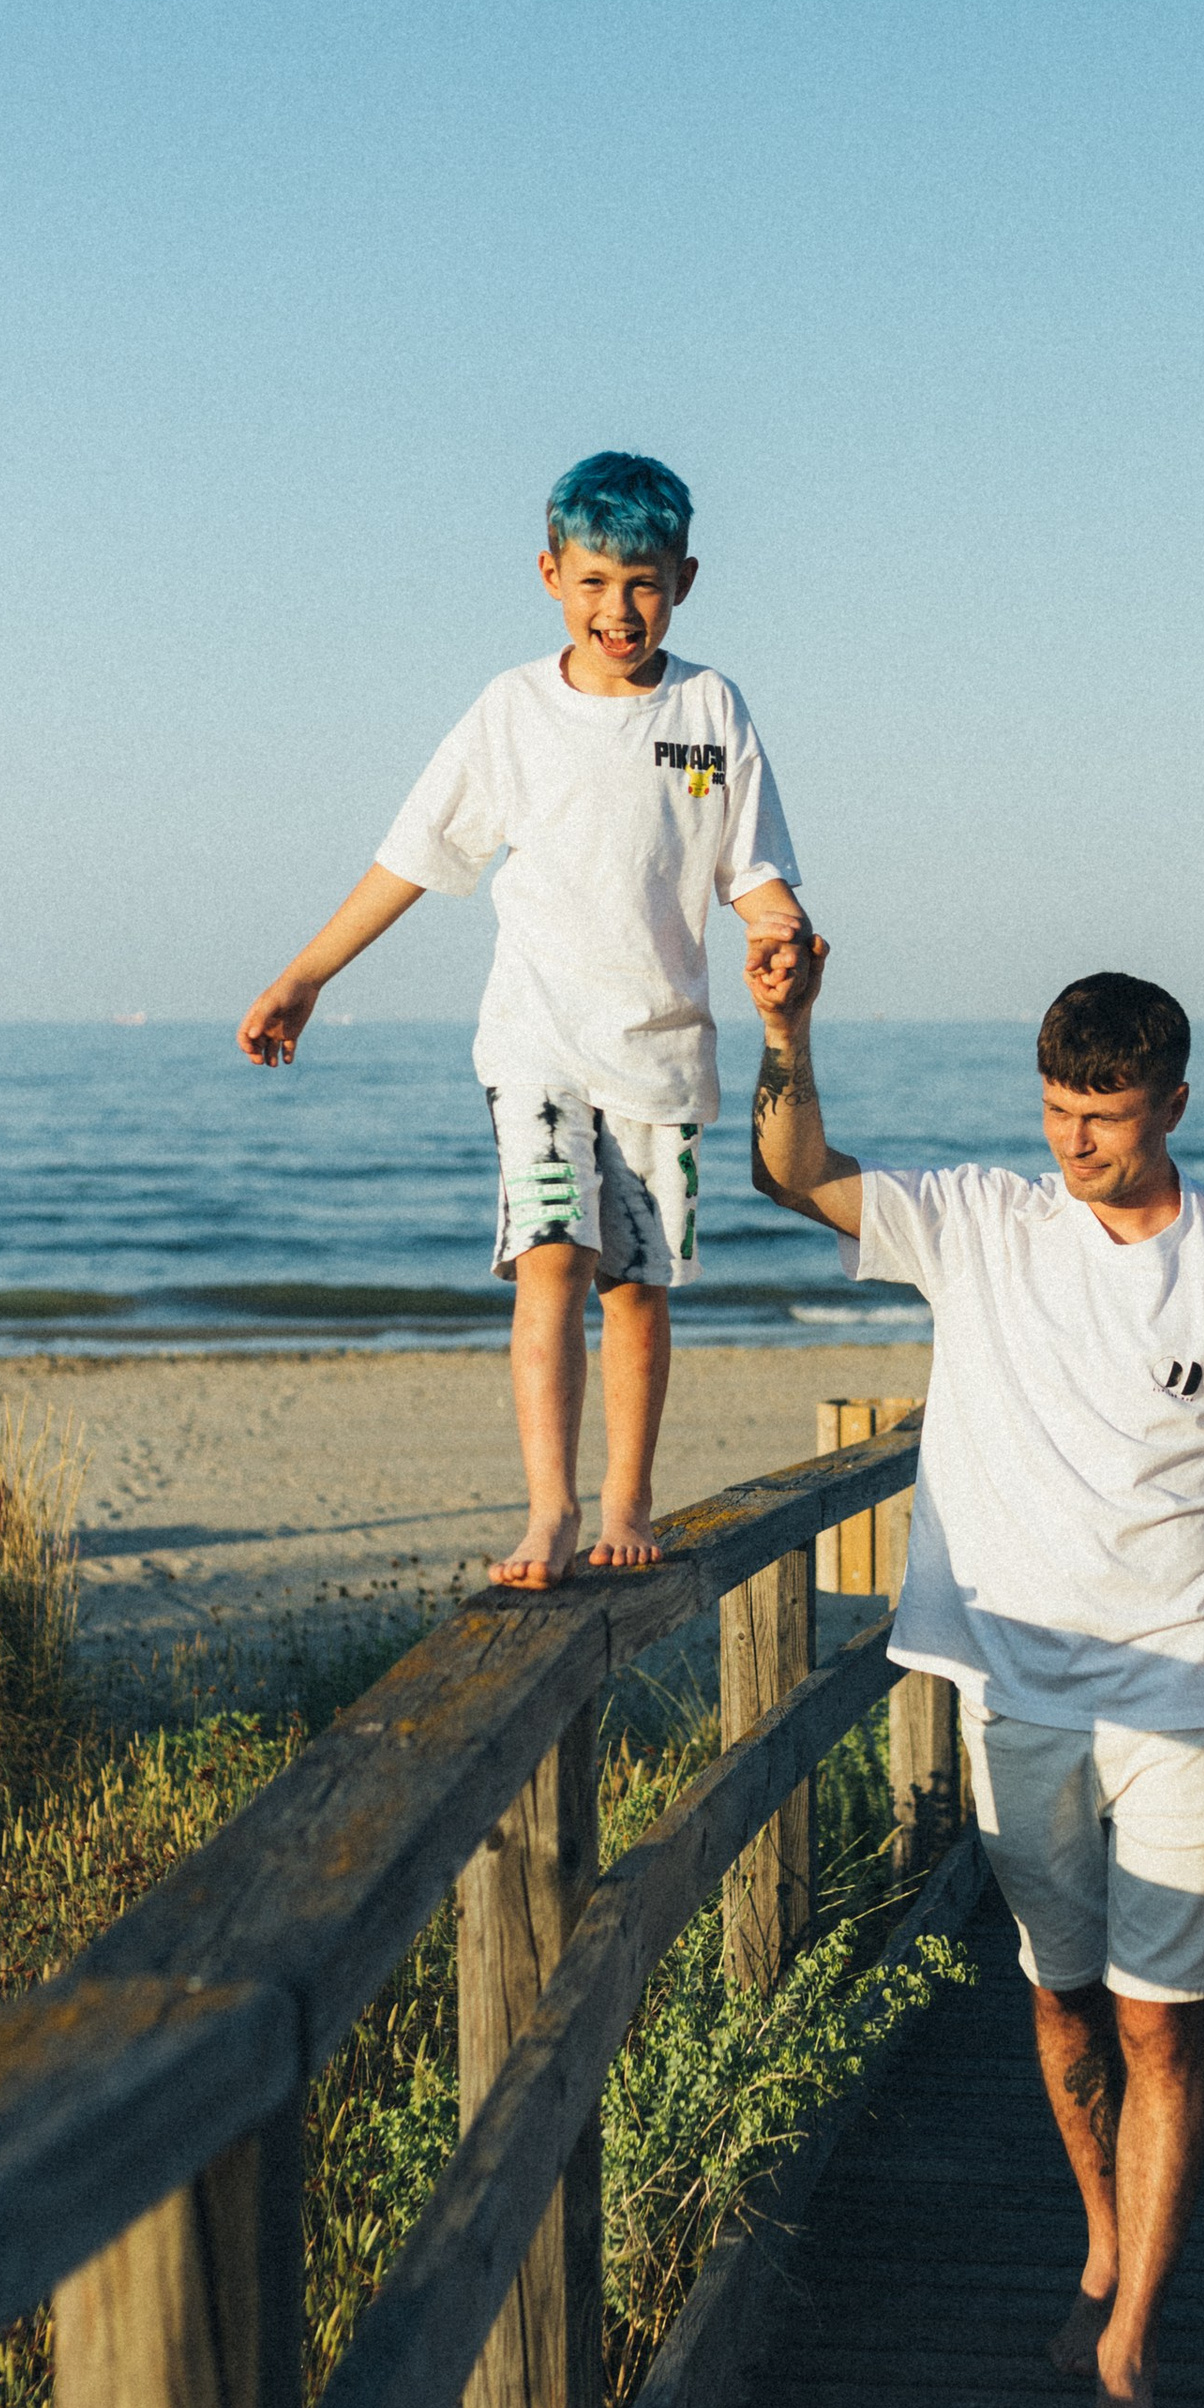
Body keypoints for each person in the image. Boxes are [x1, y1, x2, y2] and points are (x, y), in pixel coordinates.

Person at [747, 947, 1204, 2408]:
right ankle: (1101, 2235)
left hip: (1186, 1688)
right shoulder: (983, 1225)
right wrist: (787, 1024)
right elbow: (794, 1172)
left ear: (1175, 1104)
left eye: (1108, 1114)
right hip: (1018, 1688)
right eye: (1058, 1109)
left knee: (1161, 2019)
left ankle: (1133, 2348)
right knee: (1062, 1994)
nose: (1075, 1141)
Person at [237, 453, 812, 1585]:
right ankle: (550, 1509)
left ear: (684, 581)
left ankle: (627, 1499)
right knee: (552, 1257)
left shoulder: (710, 709)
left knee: (637, 1287)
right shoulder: (514, 710)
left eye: (643, 584)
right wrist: (307, 976)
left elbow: (752, 868)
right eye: (594, 581)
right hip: (536, 1041)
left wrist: (781, 926)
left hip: (660, 1049)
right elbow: (415, 855)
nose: (618, 609)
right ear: (551, 576)